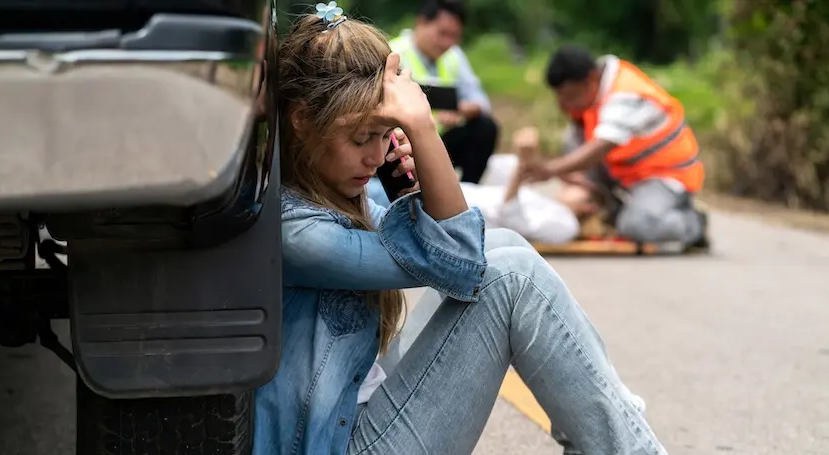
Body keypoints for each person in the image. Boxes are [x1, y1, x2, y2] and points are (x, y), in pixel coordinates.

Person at [254, 8, 669, 455]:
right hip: (337, 445)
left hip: (356, 418)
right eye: (360, 139)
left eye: (386, 135)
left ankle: (612, 439)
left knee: (507, 247)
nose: (376, 157)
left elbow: (463, 251)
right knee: (512, 277)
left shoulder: (324, 198)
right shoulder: (296, 232)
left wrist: (408, 185)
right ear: (300, 120)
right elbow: (459, 261)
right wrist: (423, 129)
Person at [521, 44, 709, 248]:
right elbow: (580, 146)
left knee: (636, 225)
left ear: (591, 79)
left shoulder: (626, 93)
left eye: (570, 97)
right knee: (572, 142)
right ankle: (609, 209)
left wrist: (550, 170)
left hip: (665, 176)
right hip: (625, 174)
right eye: (560, 98)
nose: (565, 105)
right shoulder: (589, 96)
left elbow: (602, 146)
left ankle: (692, 224)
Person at [367, 127, 599, 244]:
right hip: (432, 193)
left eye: (583, 187)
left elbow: (512, 219)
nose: (575, 183)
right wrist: (531, 160)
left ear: (589, 207)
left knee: (363, 197)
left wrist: (520, 173)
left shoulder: (566, 225)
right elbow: (500, 167)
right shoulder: (547, 202)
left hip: (438, 212)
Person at [387, 0, 498, 184]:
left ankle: (468, 190)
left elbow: (481, 101)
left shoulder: (454, 56)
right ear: (421, 23)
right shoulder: (394, 53)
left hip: (442, 138)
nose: (448, 42)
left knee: (485, 127)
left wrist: (461, 110)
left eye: (455, 36)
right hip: (405, 140)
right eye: (442, 33)